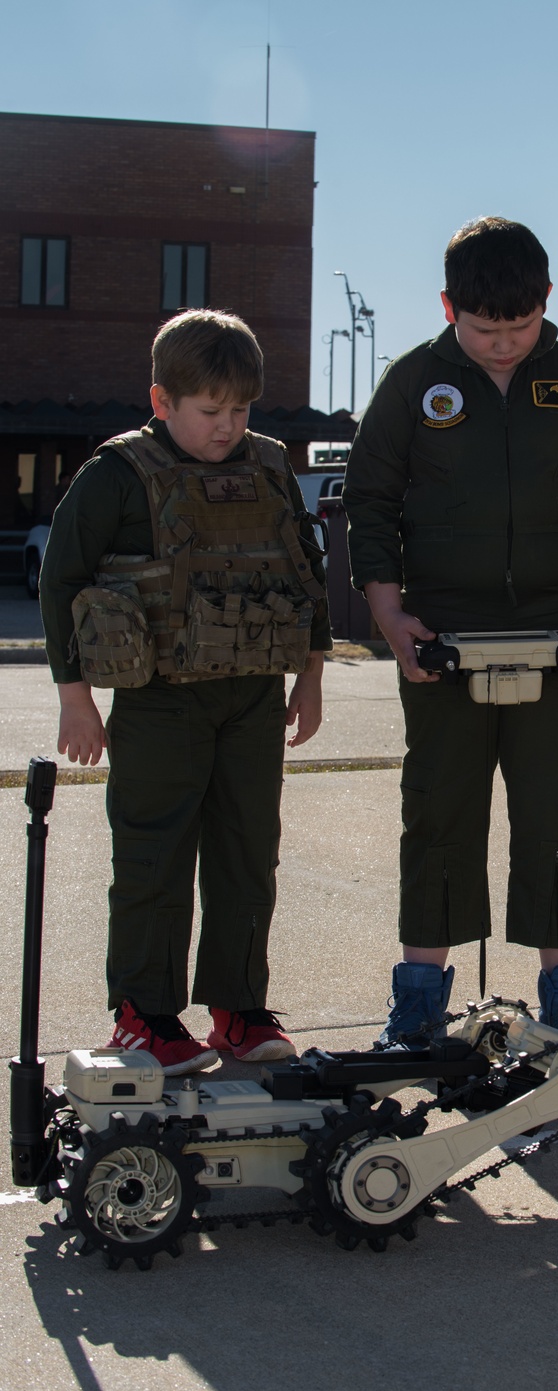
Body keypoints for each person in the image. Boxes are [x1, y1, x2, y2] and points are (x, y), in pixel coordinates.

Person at [343, 216, 558, 1051]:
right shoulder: (412, 385)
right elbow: (369, 503)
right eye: (484, 330)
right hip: (442, 640)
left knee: (557, 813)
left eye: (520, 327)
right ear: (448, 307)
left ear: (546, 303)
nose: (505, 345)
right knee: (439, 813)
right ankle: (416, 1000)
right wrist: (389, 611)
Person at [40, 309, 331, 1073]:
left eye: (241, 409)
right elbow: (61, 578)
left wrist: (312, 678)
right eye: (210, 411)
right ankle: (144, 1016)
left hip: (253, 697)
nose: (228, 426)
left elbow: (307, 569)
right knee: (154, 857)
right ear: (162, 400)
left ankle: (238, 1010)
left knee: (247, 854)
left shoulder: (269, 465)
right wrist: (76, 699)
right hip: (161, 696)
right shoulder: (118, 473)